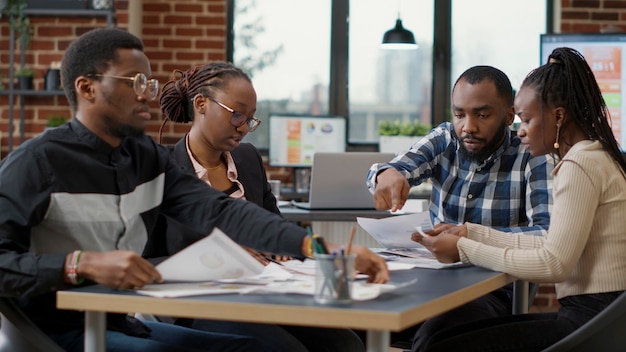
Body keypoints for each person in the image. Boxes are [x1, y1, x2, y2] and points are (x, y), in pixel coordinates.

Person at [0, 27, 388, 352]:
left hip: (122, 321)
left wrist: (321, 250)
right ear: (86, 88)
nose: (147, 94)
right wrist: (77, 263)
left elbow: (221, 211)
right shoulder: (36, 164)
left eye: (149, 83)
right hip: (57, 334)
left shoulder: (146, 158)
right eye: (135, 82)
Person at [412, 47, 626, 351]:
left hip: (592, 322)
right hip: (603, 317)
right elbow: (551, 241)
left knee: (441, 345)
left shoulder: (579, 165)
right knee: (438, 337)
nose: (520, 132)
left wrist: (463, 249)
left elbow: (554, 264)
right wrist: (471, 232)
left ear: (559, 116)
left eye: (525, 120)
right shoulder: (595, 154)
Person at [157, 61, 364, 352]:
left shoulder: (248, 159)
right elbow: (152, 256)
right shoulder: (164, 169)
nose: (244, 128)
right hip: (201, 302)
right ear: (201, 104)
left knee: (347, 344)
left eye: (251, 119)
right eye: (237, 115)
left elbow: (273, 228)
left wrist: (294, 255)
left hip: (266, 290)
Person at [365, 65, 554, 349]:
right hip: (430, 276)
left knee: (439, 335)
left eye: (482, 114)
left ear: (508, 116)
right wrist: (386, 175)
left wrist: (470, 237)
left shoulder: (532, 154)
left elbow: (546, 234)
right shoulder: (446, 139)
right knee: (353, 320)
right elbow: (391, 169)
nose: (468, 127)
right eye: (459, 114)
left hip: (495, 287)